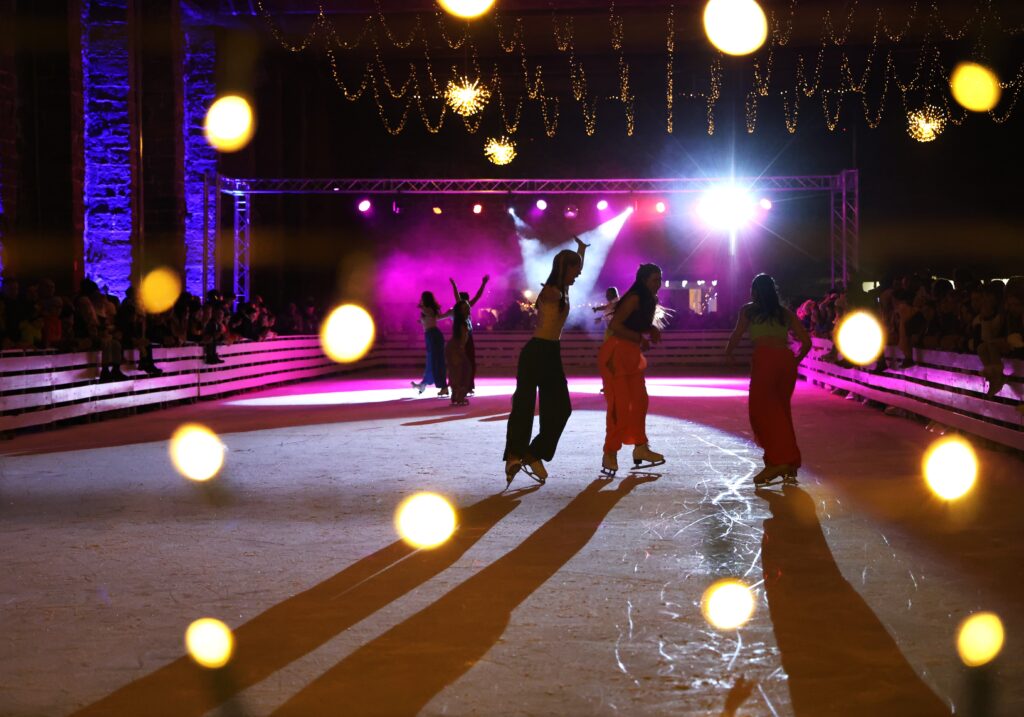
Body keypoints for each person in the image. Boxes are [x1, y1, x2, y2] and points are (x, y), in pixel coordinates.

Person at [504, 237, 588, 486]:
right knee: (524, 406)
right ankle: (514, 455)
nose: (578, 275)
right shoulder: (551, 291)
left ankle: (533, 453)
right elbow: (546, 299)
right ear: (564, 269)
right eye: (575, 271)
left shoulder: (564, 288)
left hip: (551, 352)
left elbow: (573, 270)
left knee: (562, 409)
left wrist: (581, 251)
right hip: (536, 352)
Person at [725, 273, 812, 487]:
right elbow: (806, 342)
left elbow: (737, 334)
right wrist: (795, 360)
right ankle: (789, 463)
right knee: (781, 411)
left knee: (763, 412)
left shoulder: (749, 310)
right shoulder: (785, 313)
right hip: (785, 361)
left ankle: (778, 460)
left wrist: (729, 352)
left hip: (765, 359)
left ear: (754, 291)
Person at [598, 265, 667, 476]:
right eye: (655, 279)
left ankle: (640, 447)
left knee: (639, 402)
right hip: (616, 354)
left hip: (631, 355)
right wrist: (639, 338)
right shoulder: (634, 298)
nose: (658, 284)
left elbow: (634, 323)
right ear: (644, 280)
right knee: (619, 407)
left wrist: (651, 328)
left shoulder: (650, 300)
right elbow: (615, 326)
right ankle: (610, 452)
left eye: (660, 279)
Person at [450, 275, 489, 395]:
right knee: (463, 362)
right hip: (462, 337)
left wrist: (483, 284)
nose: (467, 304)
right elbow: (459, 297)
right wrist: (454, 285)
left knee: (469, 362)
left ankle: (468, 385)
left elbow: (478, 296)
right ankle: (462, 385)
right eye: (465, 301)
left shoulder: (467, 307)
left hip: (468, 337)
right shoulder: (460, 308)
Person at [411, 291, 450, 396]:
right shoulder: (426, 310)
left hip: (433, 335)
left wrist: (421, 307)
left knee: (437, 362)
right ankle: (424, 384)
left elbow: (432, 315)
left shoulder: (428, 309)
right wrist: (422, 321)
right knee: (431, 361)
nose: (420, 300)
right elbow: (430, 318)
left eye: (422, 298)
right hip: (429, 335)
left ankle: (443, 386)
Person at [445, 300, 473, 406]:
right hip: (455, 348)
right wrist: (461, 349)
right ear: (460, 311)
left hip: (456, 347)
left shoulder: (465, 320)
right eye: (465, 308)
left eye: (468, 307)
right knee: (460, 371)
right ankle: (458, 396)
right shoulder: (461, 322)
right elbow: (462, 337)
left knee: (461, 371)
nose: (468, 309)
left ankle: (457, 395)